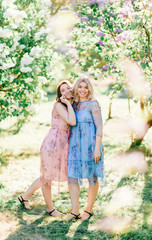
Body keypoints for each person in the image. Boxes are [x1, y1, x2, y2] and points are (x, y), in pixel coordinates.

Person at [18, 80, 76, 216]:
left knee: (46, 176)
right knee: (46, 177)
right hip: (52, 144)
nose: (66, 91)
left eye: (68, 88)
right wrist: (67, 103)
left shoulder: (72, 106)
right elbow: (72, 121)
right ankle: (51, 209)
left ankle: (24, 197)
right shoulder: (59, 106)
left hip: (62, 145)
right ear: (60, 95)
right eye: (63, 90)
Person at [67, 76, 106, 220]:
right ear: (76, 88)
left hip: (90, 146)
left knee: (92, 177)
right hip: (75, 146)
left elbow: (100, 127)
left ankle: (88, 210)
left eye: (86, 87)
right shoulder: (74, 104)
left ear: (89, 89)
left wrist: (97, 149)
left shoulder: (93, 104)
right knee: (72, 177)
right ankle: (74, 210)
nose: (83, 90)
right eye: (80, 87)